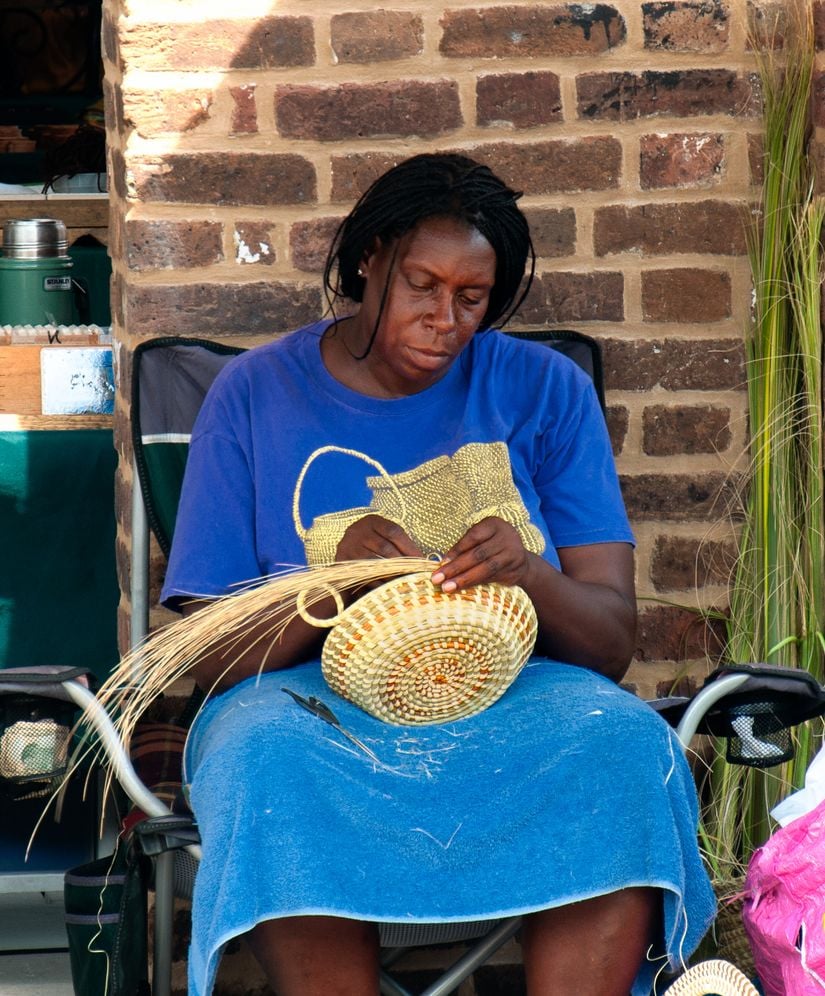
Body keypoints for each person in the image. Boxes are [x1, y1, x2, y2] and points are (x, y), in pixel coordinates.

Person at [161, 152, 715, 996]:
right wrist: (334, 591)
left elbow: (607, 644)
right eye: (421, 284)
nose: (444, 319)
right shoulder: (251, 394)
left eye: (470, 298)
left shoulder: (543, 389)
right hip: (308, 712)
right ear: (369, 259)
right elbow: (209, 657)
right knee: (258, 751)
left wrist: (527, 573)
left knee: (621, 742)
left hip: (518, 695)